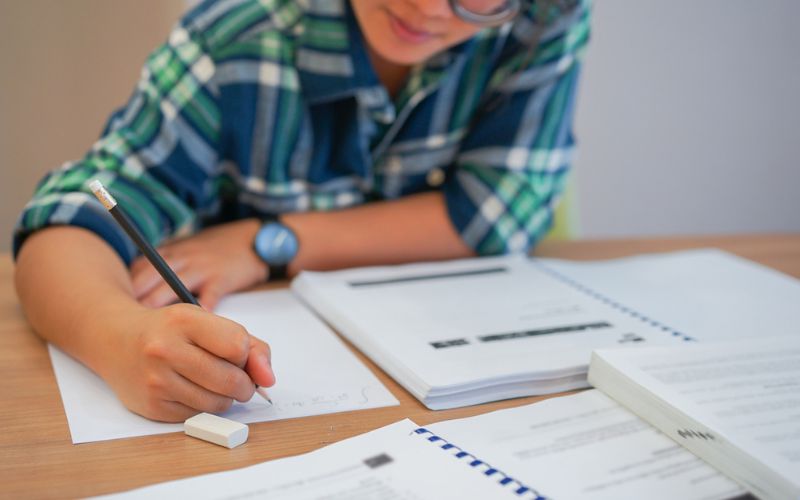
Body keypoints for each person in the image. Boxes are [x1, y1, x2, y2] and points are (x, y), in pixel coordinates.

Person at [13, 0, 590, 422]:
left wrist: (267, 243)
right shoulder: (236, 34)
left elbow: (500, 211)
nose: (428, 7)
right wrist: (119, 339)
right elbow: (67, 221)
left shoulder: (543, 20)